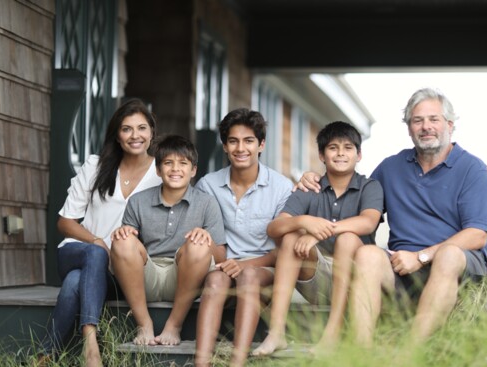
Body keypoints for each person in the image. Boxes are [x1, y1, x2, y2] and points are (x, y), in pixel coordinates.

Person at [295, 88, 487, 346]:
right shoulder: (391, 168)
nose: (426, 127)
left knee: (448, 254)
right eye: (417, 120)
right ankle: (361, 352)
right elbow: (353, 205)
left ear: (449, 125)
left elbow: (477, 234)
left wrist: (422, 257)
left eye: (433, 119)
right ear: (409, 128)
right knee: (368, 254)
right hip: (402, 271)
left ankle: (409, 355)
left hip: (460, 272)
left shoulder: (473, 169)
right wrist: (315, 182)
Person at [40, 99, 161, 367]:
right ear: (117, 135)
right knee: (93, 254)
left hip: (120, 270)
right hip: (78, 251)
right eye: (126, 129)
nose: (135, 135)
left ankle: (45, 355)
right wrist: (96, 241)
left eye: (142, 128)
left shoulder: (162, 172)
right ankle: (91, 346)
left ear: (152, 132)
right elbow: (66, 221)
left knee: (73, 283)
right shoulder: (96, 165)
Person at [252, 121, 383, 356]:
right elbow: (275, 228)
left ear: (359, 154)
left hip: (358, 281)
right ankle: (277, 333)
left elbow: (368, 221)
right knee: (291, 236)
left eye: (348, 148)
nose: (341, 153)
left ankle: (332, 332)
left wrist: (322, 231)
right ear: (322, 155)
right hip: (319, 279)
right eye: (333, 148)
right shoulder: (310, 188)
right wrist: (303, 222)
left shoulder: (369, 187)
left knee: (347, 238)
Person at [193, 108, 293, 367]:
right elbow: (209, 240)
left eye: (249, 141)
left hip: (264, 267)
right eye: (233, 141)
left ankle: (237, 362)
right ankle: (201, 362)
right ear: (225, 146)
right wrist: (226, 262)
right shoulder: (208, 185)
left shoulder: (281, 187)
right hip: (223, 264)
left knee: (248, 277)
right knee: (214, 281)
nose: (241, 148)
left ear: (261, 145)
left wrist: (246, 265)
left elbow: (283, 251)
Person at [110, 134, 226, 346]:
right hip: (147, 276)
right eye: (168, 163)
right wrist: (123, 233)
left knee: (199, 245)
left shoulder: (207, 203)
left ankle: (174, 325)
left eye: (183, 163)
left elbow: (221, 257)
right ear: (157, 169)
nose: (175, 169)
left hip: (186, 277)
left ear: (193, 171)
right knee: (122, 239)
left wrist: (207, 240)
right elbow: (126, 251)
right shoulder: (138, 201)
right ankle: (144, 324)